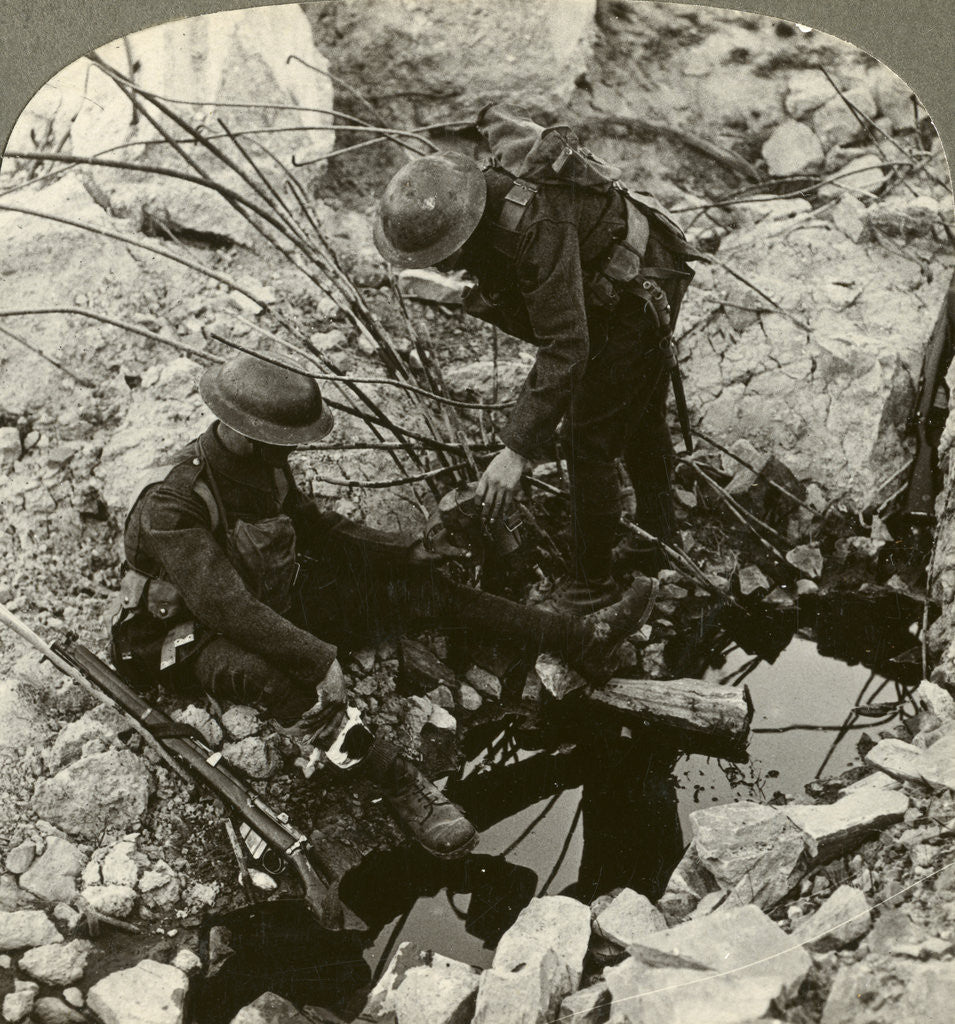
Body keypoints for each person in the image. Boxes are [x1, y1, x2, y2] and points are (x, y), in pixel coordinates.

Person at [111, 353, 657, 859]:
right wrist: (316, 657)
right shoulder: (173, 500)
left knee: (429, 591)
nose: (294, 450)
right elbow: (223, 605)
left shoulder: (263, 464)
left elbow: (320, 529)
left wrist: (412, 550)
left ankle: (580, 639)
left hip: (270, 598)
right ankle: (399, 783)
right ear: (248, 434)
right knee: (280, 683)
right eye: (285, 439)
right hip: (185, 638)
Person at [373, 108, 695, 611]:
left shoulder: (533, 224)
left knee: (588, 439)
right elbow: (532, 306)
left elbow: (566, 344)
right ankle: (659, 539)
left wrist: (517, 449)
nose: (440, 265)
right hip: (622, 279)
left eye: (440, 254)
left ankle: (592, 585)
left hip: (641, 287)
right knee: (636, 411)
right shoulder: (485, 209)